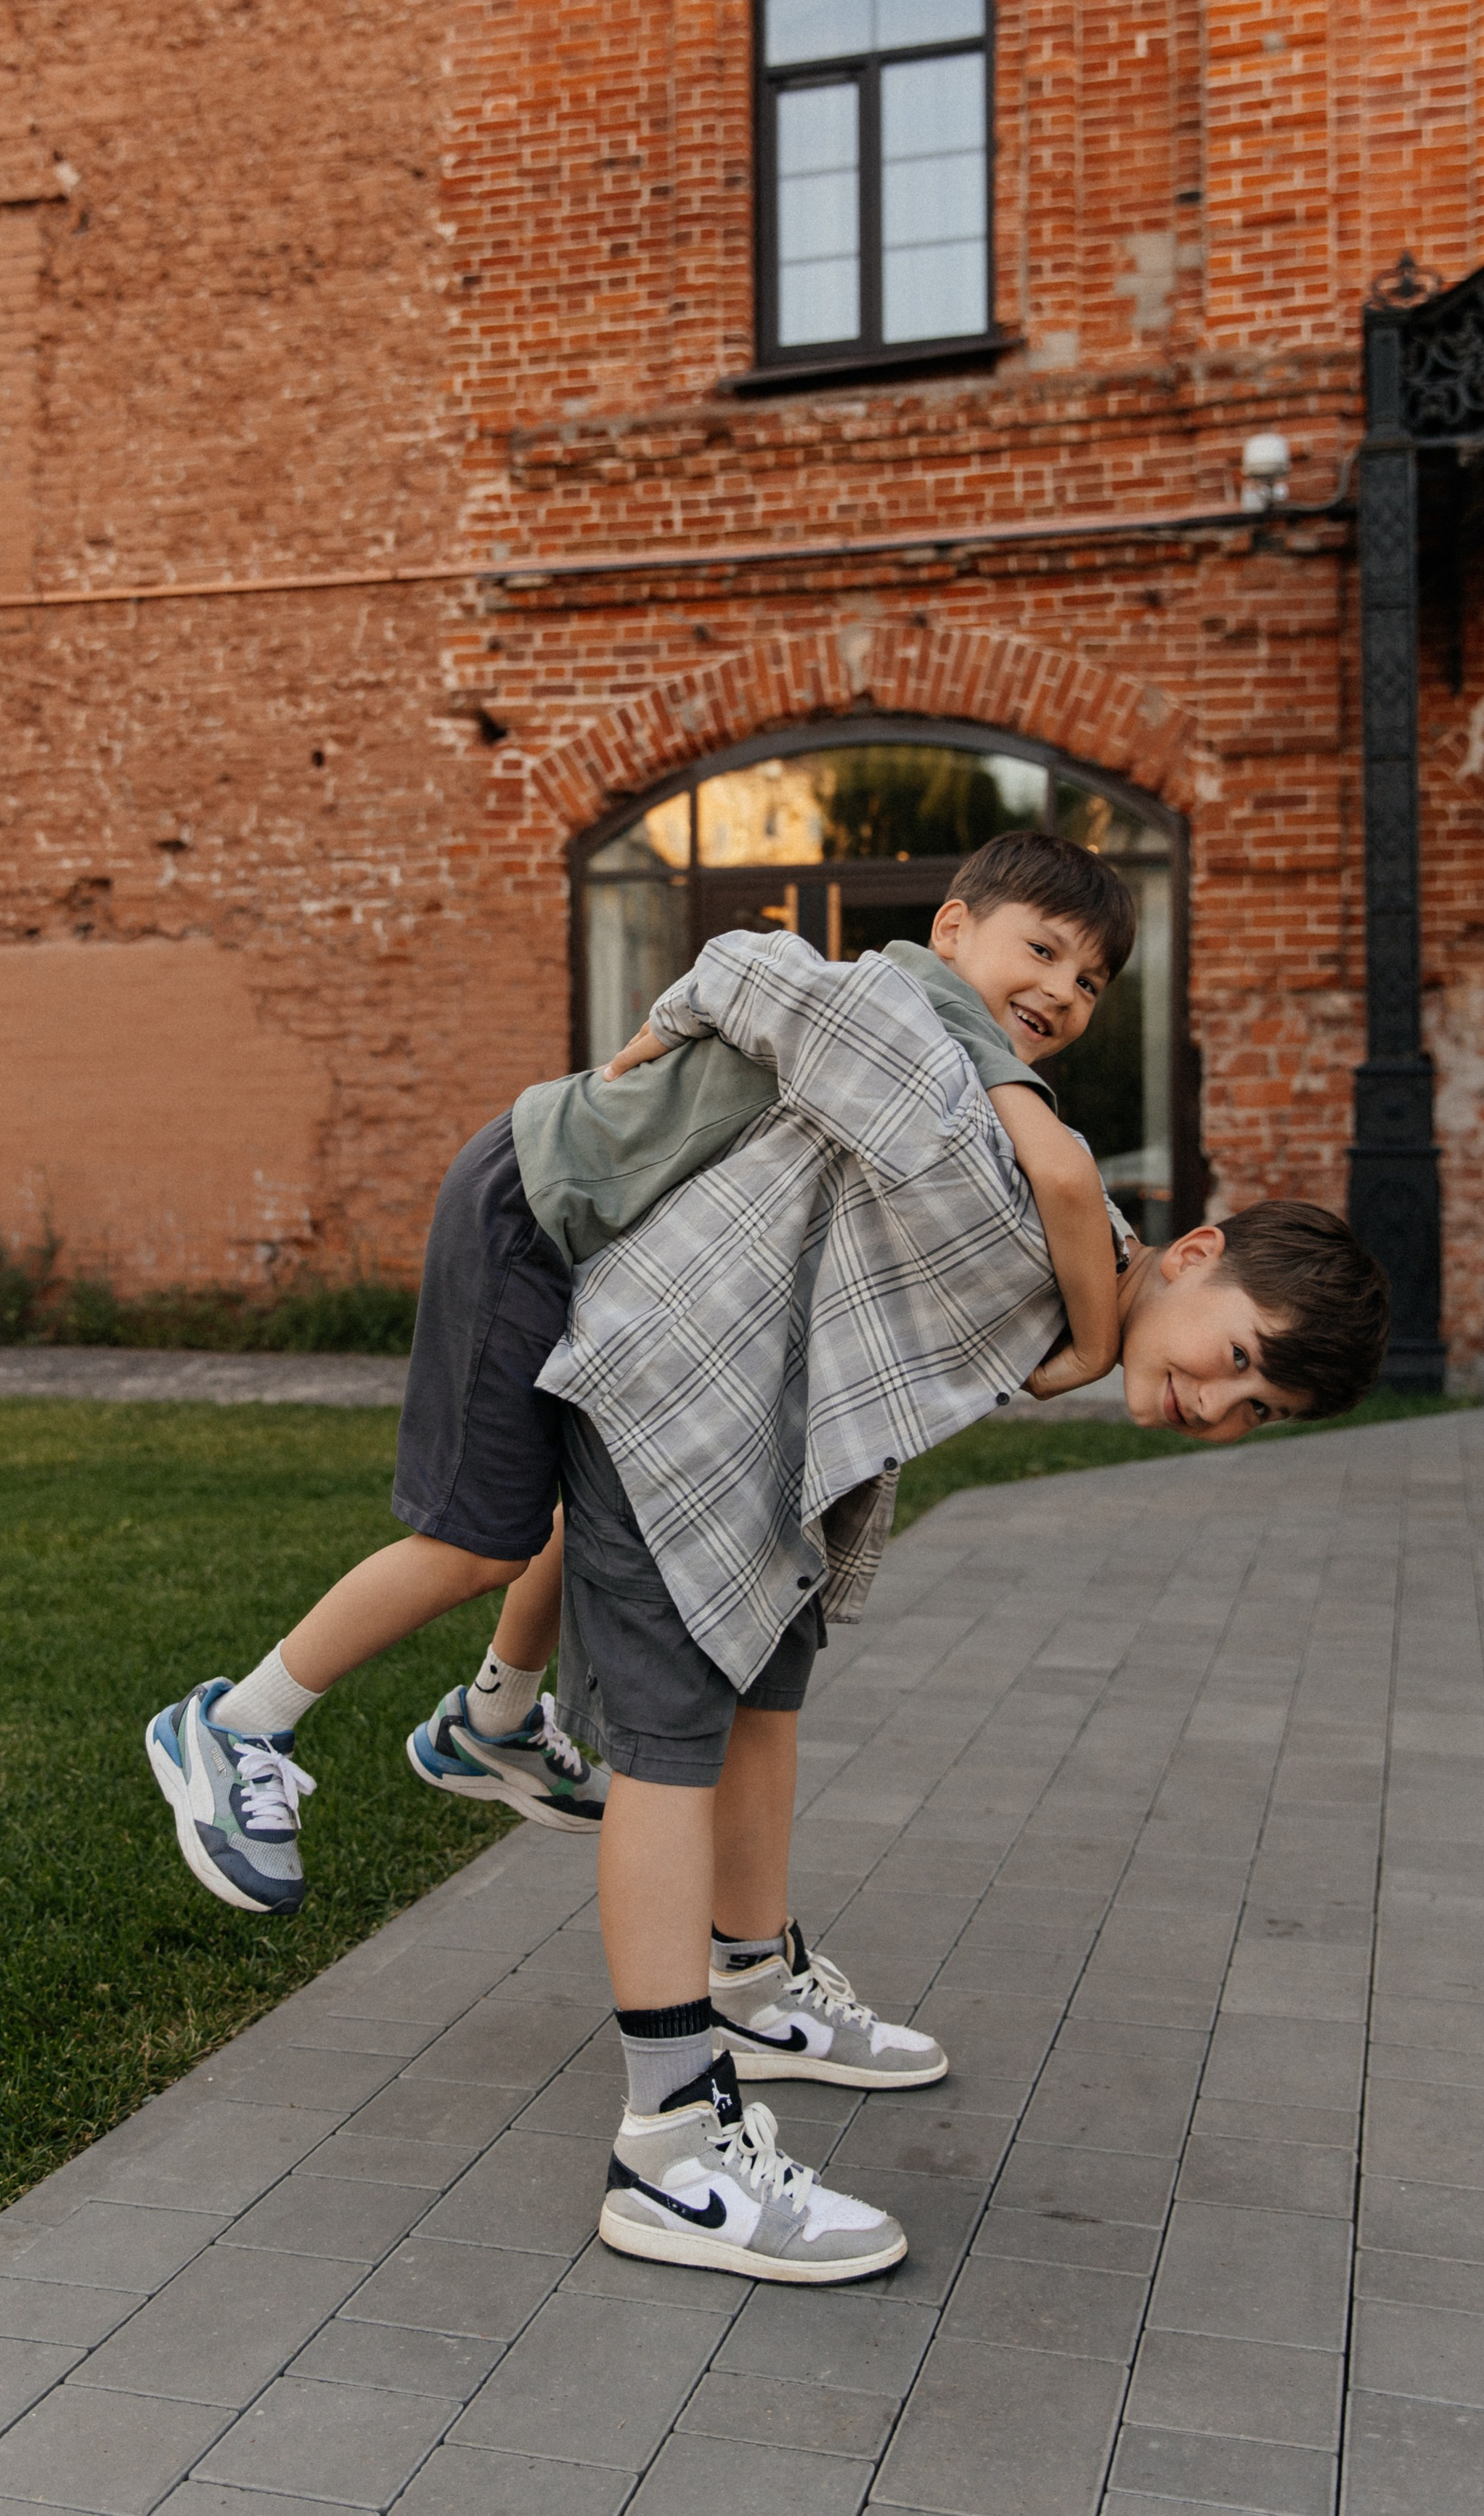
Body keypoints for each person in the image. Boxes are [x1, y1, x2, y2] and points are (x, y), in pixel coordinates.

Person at [528, 924, 1389, 2280]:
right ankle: (670, 2146)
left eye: (1254, 1412)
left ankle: (751, 1987)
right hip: (675, 1400)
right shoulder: (1018, 1169)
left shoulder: (1073, 1268)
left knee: (769, 1687)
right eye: (1235, 1359)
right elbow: (787, 989)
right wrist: (660, 1035)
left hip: (755, 1456)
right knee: (670, 1750)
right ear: (1196, 1251)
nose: (1215, 1404)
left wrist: (1082, 1343)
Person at [144, 831, 1134, 1949]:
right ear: (954, 931)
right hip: (537, 1206)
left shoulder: (931, 1033)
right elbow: (1059, 1173)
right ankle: (236, 1727)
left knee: (605, 1478)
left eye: (1090, 982)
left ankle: (495, 1720)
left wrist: (666, 1027)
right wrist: (1095, 1347)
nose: (1059, 989)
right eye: (1043, 950)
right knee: (478, 1541)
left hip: (585, 1223)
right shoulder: (933, 1011)